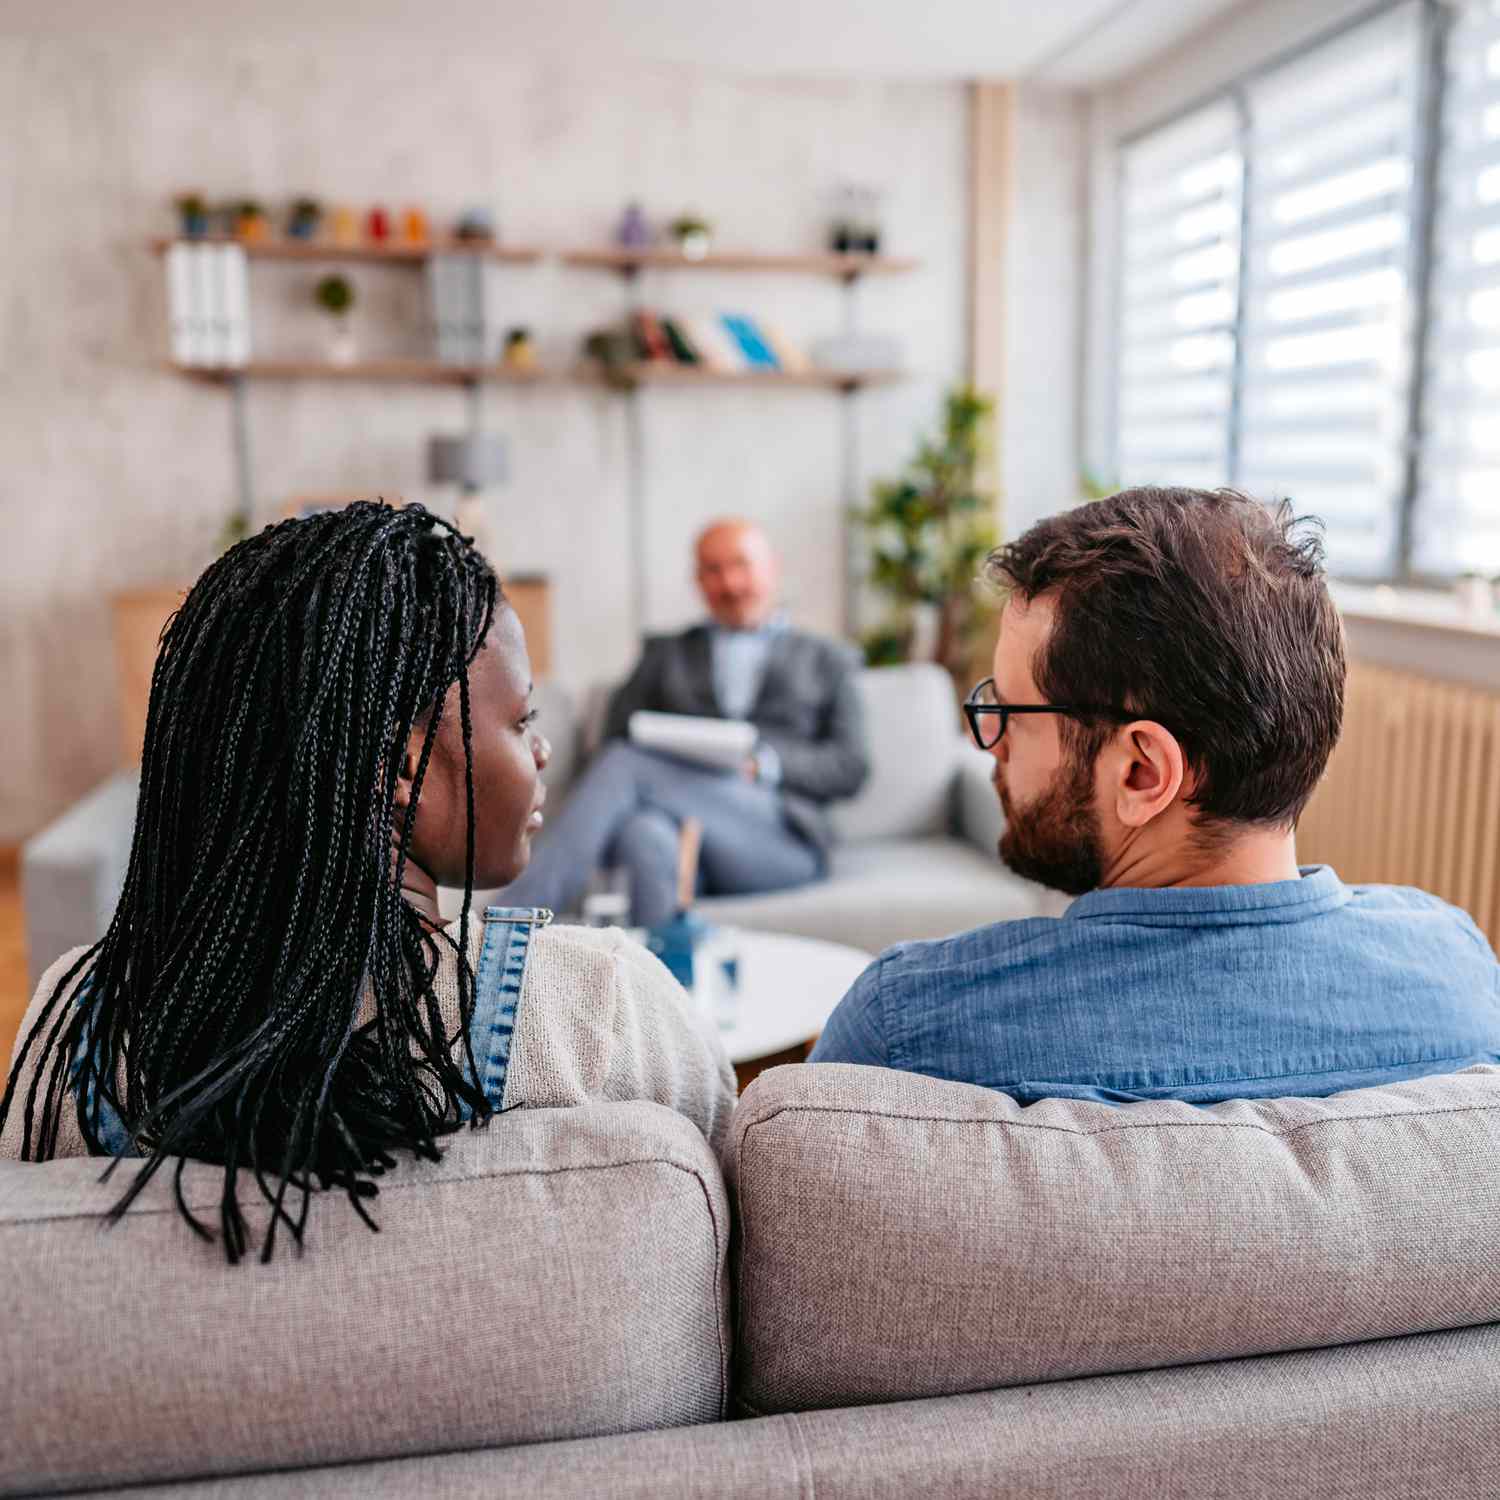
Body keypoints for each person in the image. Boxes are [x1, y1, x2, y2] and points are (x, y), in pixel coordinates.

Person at [0, 503, 735, 1260]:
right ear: (404, 766)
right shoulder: (600, 1012)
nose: (542, 750)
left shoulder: (83, 1025)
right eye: (520, 722)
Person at [812, 486, 1500, 1101]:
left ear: (1142, 772)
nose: (989, 744)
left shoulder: (906, 1032)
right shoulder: (1461, 975)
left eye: (1011, 713)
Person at [499, 518, 869, 926]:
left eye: (741, 565)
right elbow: (613, 738)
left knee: (626, 766)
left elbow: (851, 766)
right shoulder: (665, 654)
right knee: (644, 835)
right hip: (684, 838)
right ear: (698, 580)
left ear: (772, 567)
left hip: (780, 839)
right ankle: (661, 982)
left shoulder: (828, 659)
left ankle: (507, 925)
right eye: (713, 570)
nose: (729, 583)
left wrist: (766, 764)